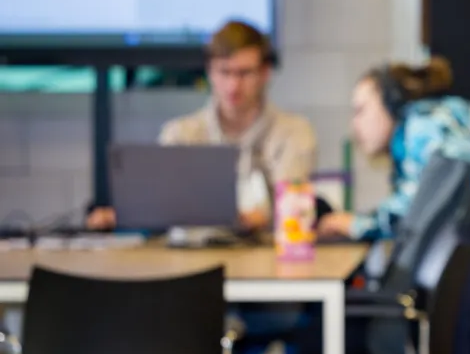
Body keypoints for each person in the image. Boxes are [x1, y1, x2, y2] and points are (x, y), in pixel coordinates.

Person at [316, 56, 470, 354]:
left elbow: (416, 205)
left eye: (361, 110)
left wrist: (352, 224)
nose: (355, 124)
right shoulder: (458, 112)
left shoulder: (424, 125)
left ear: (390, 104)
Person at [87, 19, 317, 233]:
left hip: (267, 264)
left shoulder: (293, 133)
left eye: (244, 73)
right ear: (209, 72)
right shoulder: (181, 134)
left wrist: (262, 217)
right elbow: (163, 209)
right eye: (224, 72)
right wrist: (129, 215)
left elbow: (293, 212)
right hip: (193, 263)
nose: (233, 85)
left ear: (265, 73)